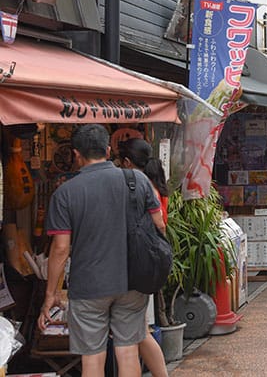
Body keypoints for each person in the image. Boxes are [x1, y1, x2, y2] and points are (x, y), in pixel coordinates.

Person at [38, 124, 165, 377]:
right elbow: (159, 222)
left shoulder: (64, 193)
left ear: (76, 154)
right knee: (127, 352)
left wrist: (50, 295)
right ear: (108, 150)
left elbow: (61, 249)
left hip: (89, 286)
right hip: (132, 279)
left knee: (93, 359)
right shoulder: (136, 179)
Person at [117, 138, 169, 377]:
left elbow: (158, 224)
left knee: (137, 334)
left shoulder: (140, 186)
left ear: (126, 161)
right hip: (147, 263)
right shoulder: (152, 183)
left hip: (138, 264)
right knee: (140, 332)